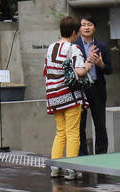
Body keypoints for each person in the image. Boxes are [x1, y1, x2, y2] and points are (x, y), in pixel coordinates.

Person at [44, 15, 91, 180]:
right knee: (73, 133)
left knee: (60, 133)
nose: (78, 35)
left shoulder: (51, 47)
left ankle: (55, 168)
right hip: (70, 96)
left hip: (54, 96)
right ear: (73, 32)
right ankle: (72, 169)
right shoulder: (73, 48)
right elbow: (79, 72)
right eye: (77, 32)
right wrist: (88, 65)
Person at [76, 15, 112, 155]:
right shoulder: (74, 45)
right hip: (80, 88)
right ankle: (83, 155)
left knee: (100, 124)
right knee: (80, 125)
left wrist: (101, 64)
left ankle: (101, 155)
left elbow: (109, 69)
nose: (86, 27)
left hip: (97, 87)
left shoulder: (101, 46)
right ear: (79, 28)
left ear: (94, 27)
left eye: (89, 24)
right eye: (83, 25)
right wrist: (88, 60)